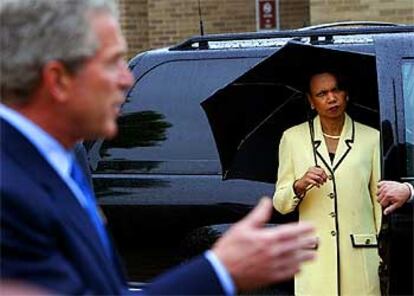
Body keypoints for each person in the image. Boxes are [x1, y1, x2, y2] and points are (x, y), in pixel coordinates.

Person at [0, 0, 317, 295]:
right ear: (58, 80)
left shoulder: (63, 161)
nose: (127, 80)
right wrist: (220, 272)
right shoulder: (9, 193)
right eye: (112, 63)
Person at [273, 71, 382, 296]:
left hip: (360, 256)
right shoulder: (292, 138)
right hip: (314, 260)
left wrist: (377, 246)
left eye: (336, 90)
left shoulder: (371, 138)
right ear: (311, 102)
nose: (331, 98)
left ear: (346, 95)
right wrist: (299, 186)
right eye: (322, 93)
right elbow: (280, 203)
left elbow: (378, 200)